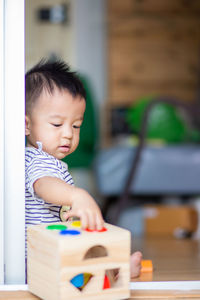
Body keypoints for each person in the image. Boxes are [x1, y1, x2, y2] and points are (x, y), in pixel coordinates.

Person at [25, 59, 142, 278]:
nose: (68, 133)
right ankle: (113, 271)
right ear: (26, 124)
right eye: (57, 124)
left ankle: (110, 269)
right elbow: (44, 183)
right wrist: (76, 195)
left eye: (76, 125)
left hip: (52, 250)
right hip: (40, 259)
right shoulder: (36, 158)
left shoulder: (49, 160)